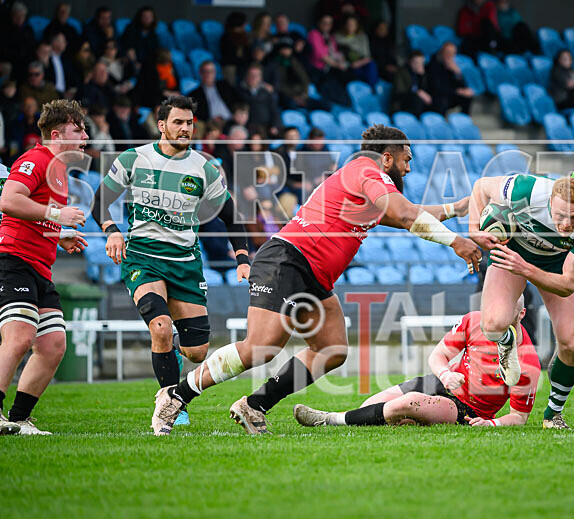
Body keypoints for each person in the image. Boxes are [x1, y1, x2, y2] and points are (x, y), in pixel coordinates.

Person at [150, 124, 481, 436]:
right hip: (288, 259)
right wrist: (456, 242)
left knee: (332, 348)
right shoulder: (366, 171)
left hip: (314, 273)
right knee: (260, 348)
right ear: (388, 157)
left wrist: (457, 207)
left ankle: (254, 405)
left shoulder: (367, 181)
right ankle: (175, 396)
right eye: (406, 160)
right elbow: (407, 215)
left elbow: (406, 212)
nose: (409, 168)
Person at [91, 95, 250, 428]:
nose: (185, 128)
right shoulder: (134, 159)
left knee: (197, 353)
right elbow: (99, 202)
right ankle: (170, 402)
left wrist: (242, 258)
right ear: (161, 125)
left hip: (185, 264)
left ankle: (173, 361)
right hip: (143, 258)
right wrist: (112, 230)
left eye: (190, 123)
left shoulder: (204, 168)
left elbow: (232, 216)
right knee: (161, 329)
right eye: (178, 122)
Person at [468, 174, 574, 429]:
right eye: (561, 215)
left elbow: (568, 285)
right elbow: (481, 186)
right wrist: (474, 230)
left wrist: (528, 270)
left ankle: (553, 413)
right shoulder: (525, 191)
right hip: (514, 253)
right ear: (550, 200)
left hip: (557, 265)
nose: (566, 223)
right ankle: (508, 339)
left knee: (572, 343)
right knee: (493, 326)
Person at [294, 303, 539, 427]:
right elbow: (438, 355)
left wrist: (491, 423)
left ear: (521, 314)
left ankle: (328, 419)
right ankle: (411, 420)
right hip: (442, 383)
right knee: (370, 408)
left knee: (405, 403)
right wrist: (445, 374)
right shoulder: (474, 320)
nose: (494, 323)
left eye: (505, 317)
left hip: (470, 409)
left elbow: (519, 417)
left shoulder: (528, 361)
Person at [0, 99, 89, 436]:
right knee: (20, 337)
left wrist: (59, 235)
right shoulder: (36, 158)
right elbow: (9, 200)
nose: (85, 137)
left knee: (53, 346)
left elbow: (33, 213)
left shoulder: (59, 169)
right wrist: (56, 216)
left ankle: (19, 418)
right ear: (56, 134)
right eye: (78, 130)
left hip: (40, 265)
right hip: (14, 260)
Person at [428, 42, 474, 115]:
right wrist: (457, 91)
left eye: (453, 53)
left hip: (450, 93)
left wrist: (457, 73)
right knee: (442, 100)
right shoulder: (433, 65)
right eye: (448, 53)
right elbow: (436, 87)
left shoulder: (452, 66)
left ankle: (464, 120)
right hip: (436, 95)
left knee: (468, 95)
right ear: (442, 52)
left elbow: (462, 86)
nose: (451, 56)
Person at [335, 15, 378, 87]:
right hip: (347, 64)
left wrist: (359, 63)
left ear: (357, 25)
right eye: (348, 24)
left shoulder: (362, 36)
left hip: (360, 62)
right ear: (344, 25)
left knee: (371, 65)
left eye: (353, 24)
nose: (350, 26)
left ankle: (372, 88)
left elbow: (367, 56)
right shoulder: (338, 37)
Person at [239, 63, 282, 136]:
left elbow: (274, 110)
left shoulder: (266, 92)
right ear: (246, 76)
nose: (253, 78)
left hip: (265, 127)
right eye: (251, 75)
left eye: (256, 75)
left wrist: (275, 125)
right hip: (246, 127)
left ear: (261, 78)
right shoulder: (239, 92)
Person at [119, 6, 160, 73]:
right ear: (140, 17)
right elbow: (129, 49)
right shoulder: (131, 29)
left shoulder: (153, 34)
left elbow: (154, 51)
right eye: (145, 16)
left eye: (149, 16)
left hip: (147, 63)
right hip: (132, 60)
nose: (147, 19)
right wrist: (135, 63)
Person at [391, 51, 431, 117]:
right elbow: (399, 93)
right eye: (416, 63)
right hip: (401, 104)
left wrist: (421, 76)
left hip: (415, 102)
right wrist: (417, 92)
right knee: (417, 99)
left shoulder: (420, 74)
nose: (419, 66)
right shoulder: (401, 72)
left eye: (421, 63)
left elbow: (424, 89)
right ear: (410, 62)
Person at [220, 12, 251, 85]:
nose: (245, 25)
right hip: (230, 64)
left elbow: (248, 53)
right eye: (244, 23)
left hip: (243, 64)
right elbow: (228, 56)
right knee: (230, 69)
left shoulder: (245, 36)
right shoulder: (226, 37)